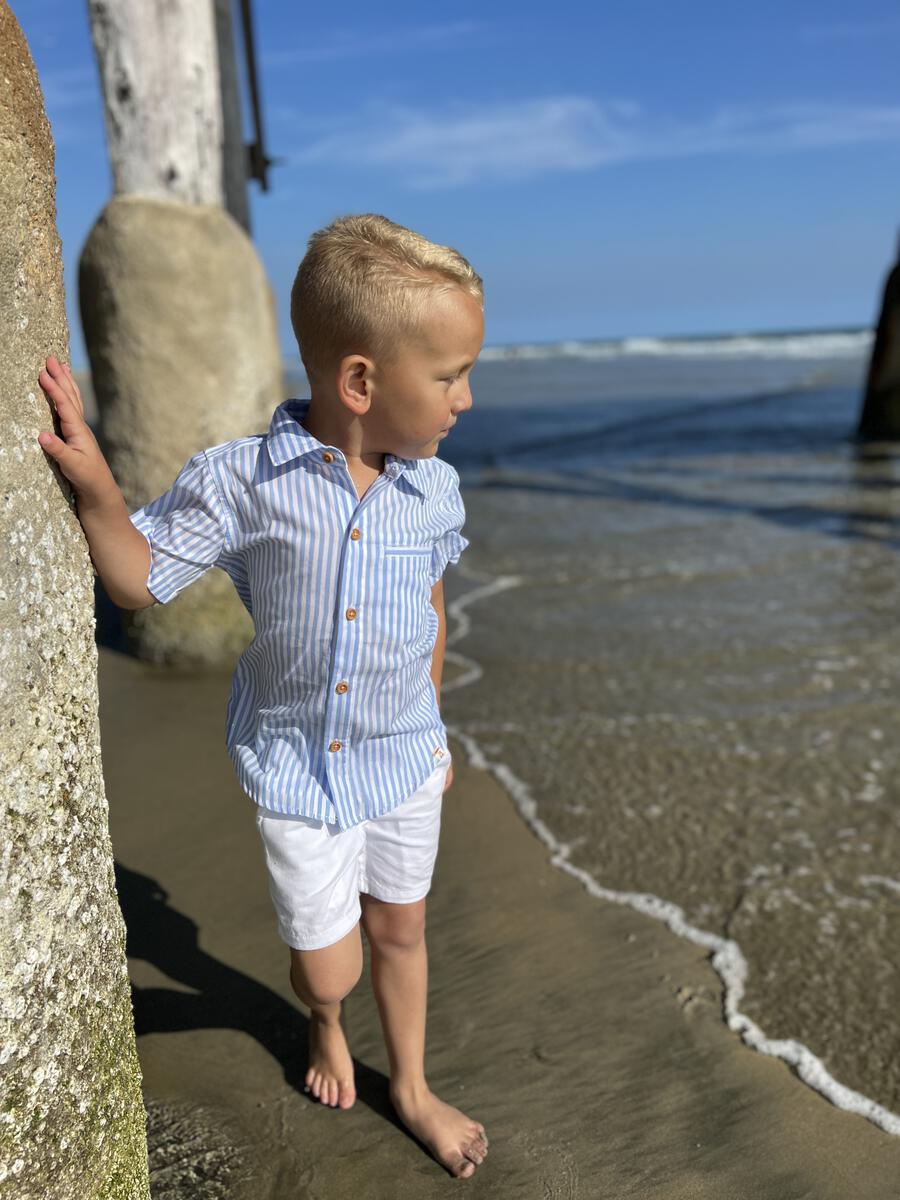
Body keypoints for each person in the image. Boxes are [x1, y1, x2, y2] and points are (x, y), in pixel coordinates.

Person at [37, 213, 489, 1179]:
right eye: (449, 376)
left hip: (404, 759)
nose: (466, 396)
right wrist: (96, 489)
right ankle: (326, 1023)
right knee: (332, 967)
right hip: (299, 770)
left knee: (402, 927)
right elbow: (137, 578)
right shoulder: (248, 483)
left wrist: (436, 728)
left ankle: (408, 1084)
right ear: (361, 382)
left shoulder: (435, 491)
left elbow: (431, 607)